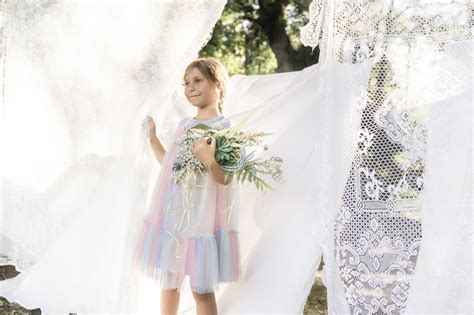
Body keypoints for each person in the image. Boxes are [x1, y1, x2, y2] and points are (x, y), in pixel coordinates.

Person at [132, 58, 240, 315]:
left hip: (201, 220)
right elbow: (168, 165)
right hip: (175, 215)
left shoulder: (225, 128)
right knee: (169, 284)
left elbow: (227, 177)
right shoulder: (184, 125)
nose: (190, 88)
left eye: (198, 80)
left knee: (201, 289)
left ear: (218, 84)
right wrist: (153, 137)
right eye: (186, 83)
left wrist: (208, 159)